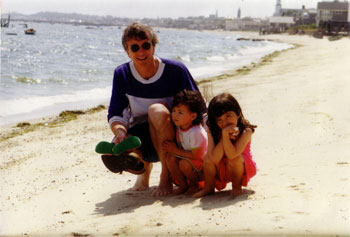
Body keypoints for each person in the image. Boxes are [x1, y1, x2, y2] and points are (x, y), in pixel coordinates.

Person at [106, 22, 200, 196]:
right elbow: (117, 113)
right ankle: (142, 169)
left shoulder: (175, 71)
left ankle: (165, 176)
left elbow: (197, 107)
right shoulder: (122, 75)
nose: (141, 52)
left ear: (153, 47)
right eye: (134, 48)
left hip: (176, 136)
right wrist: (120, 133)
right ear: (127, 52)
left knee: (156, 110)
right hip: (142, 137)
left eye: (146, 45)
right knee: (116, 147)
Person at [193, 93, 257, 198]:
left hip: (240, 167)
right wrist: (224, 136)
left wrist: (226, 136)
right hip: (222, 167)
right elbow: (213, 159)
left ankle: (236, 186)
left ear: (238, 114)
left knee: (234, 158)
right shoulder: (213, 131)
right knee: (207, 158)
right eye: (219, 120)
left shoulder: (246, 131)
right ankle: (208, 188)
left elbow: (232, 155)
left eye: (228, 116)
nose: (225, 122)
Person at [162, 90, 208, 195]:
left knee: (184, 164)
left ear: (193, 116)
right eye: (173, 111)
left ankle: (194, 184)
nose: (174, 115)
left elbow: (196, 156)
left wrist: (175, 150)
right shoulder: (181, 126)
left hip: (202, 165)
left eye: (180, 112)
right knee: (169, 158)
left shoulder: (196, 132)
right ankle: (183, 185)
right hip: (189, 158)